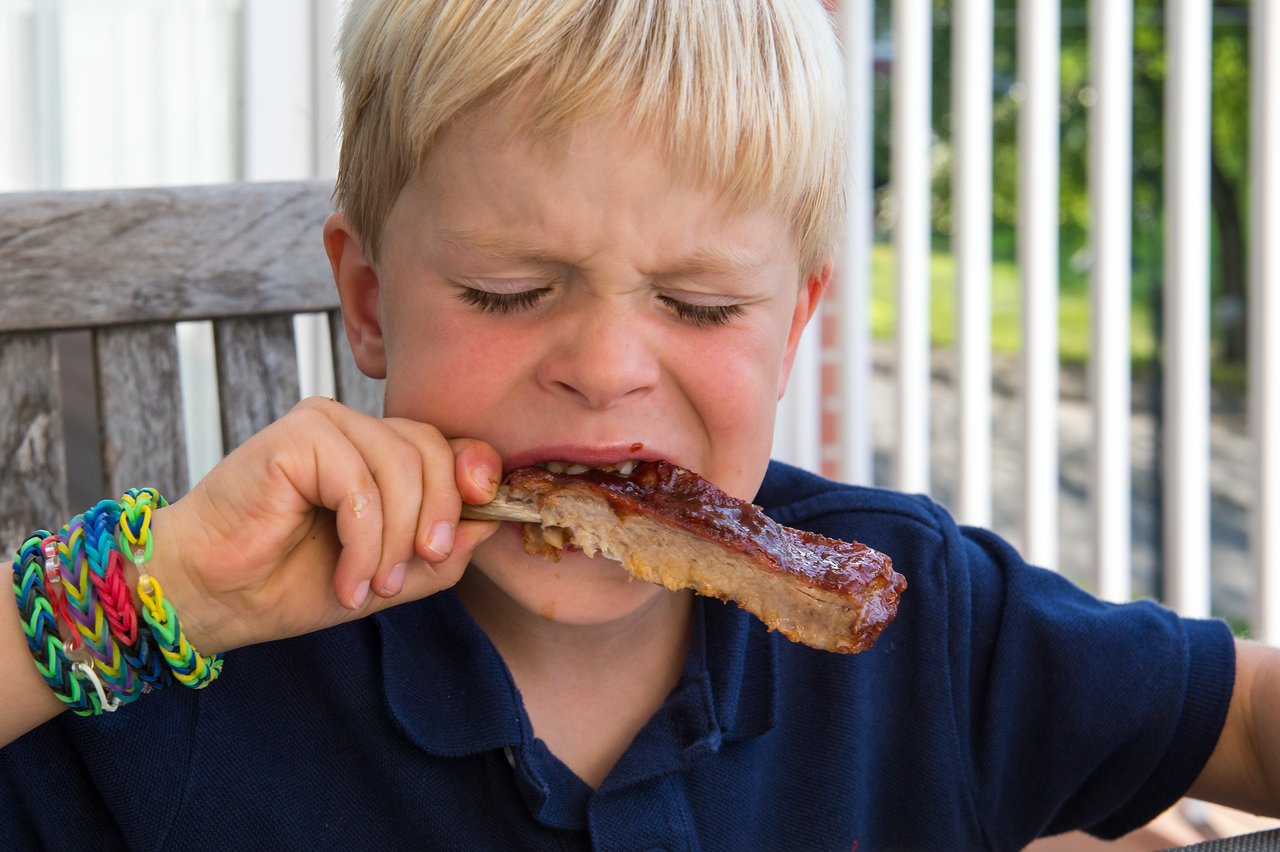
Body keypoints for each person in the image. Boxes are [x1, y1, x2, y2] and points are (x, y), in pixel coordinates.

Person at [1, 0, 1277, 848]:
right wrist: (155, 587)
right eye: (509, 291)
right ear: (370, 304)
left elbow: (1245, 725)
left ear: (793, 325)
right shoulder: (198, 671)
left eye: (700, 304)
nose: (606, 370)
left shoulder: (928, 634)